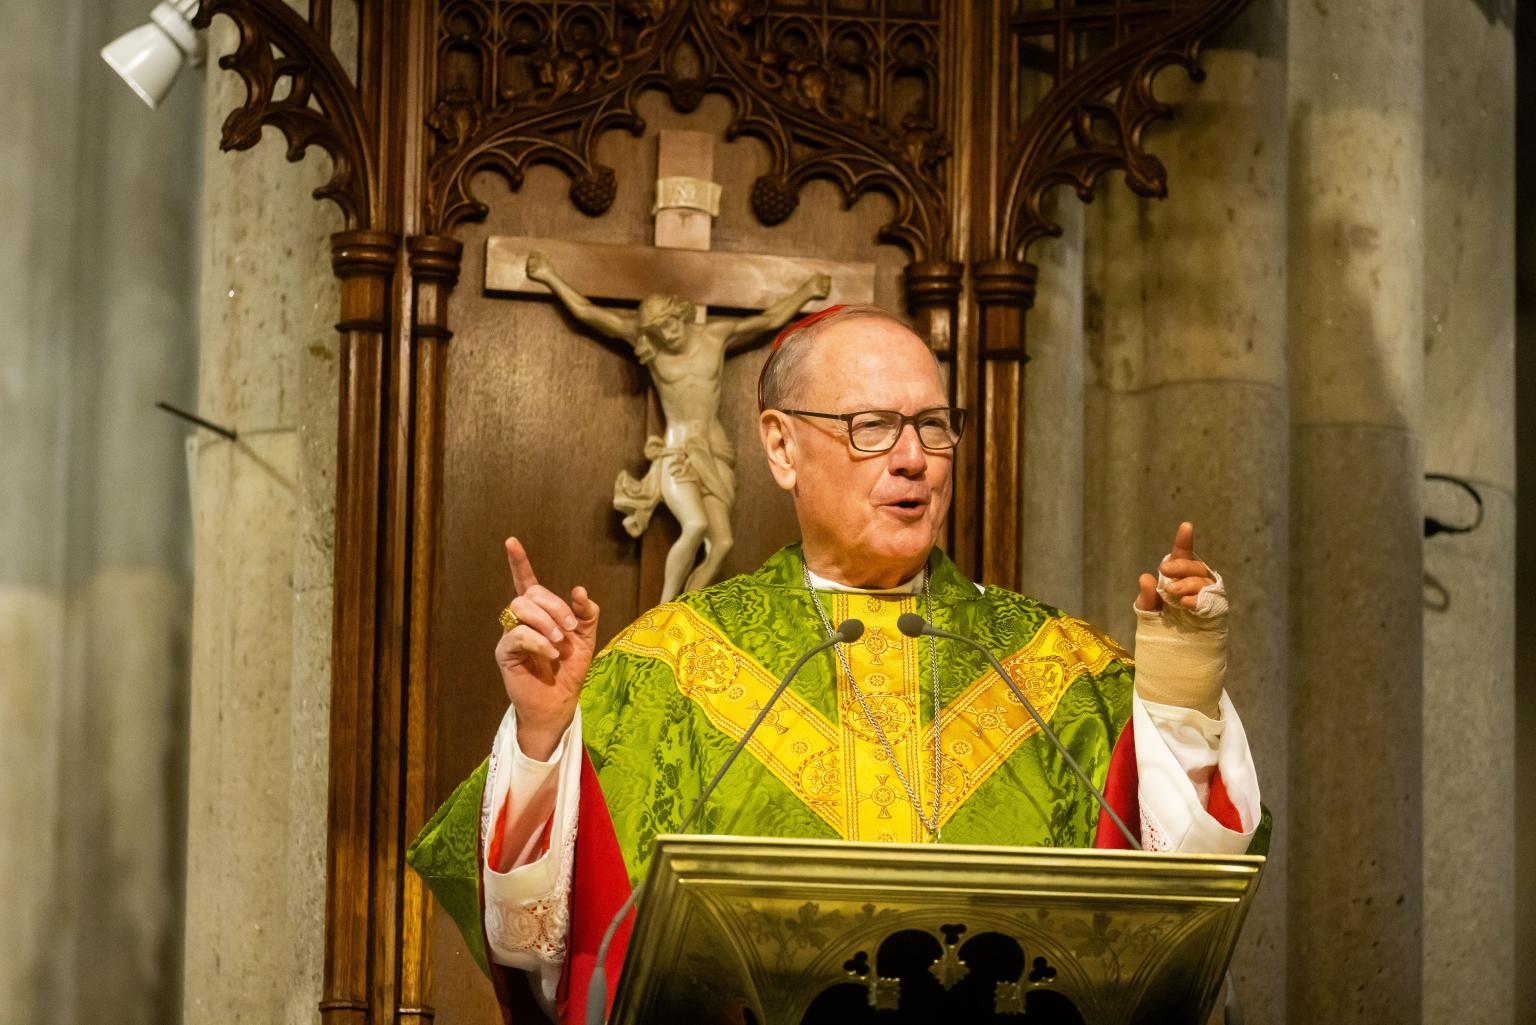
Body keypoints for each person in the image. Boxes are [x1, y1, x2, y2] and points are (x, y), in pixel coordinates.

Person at [407, 305, 1264, 1025]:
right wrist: (545, 734)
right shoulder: (676, 667)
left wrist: (1182, 690)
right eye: (872, 426)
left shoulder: (1057, 670)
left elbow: (1184, 919)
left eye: (934, 424)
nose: (914, 458)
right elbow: (550, 948)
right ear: (780, 447)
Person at [525, 251, 831, 600]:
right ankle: (663, 611)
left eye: (669, 325)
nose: (667, 335)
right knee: (695, 525)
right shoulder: (652, 348)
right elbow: (589, 313)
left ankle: (687, 609)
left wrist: (806, 291)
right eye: (657, 331)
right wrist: (549, 275)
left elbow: (768, 320)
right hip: (674, 452)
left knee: (722, 543)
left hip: (713, 453)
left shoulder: (716, 336)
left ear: (679, 315)